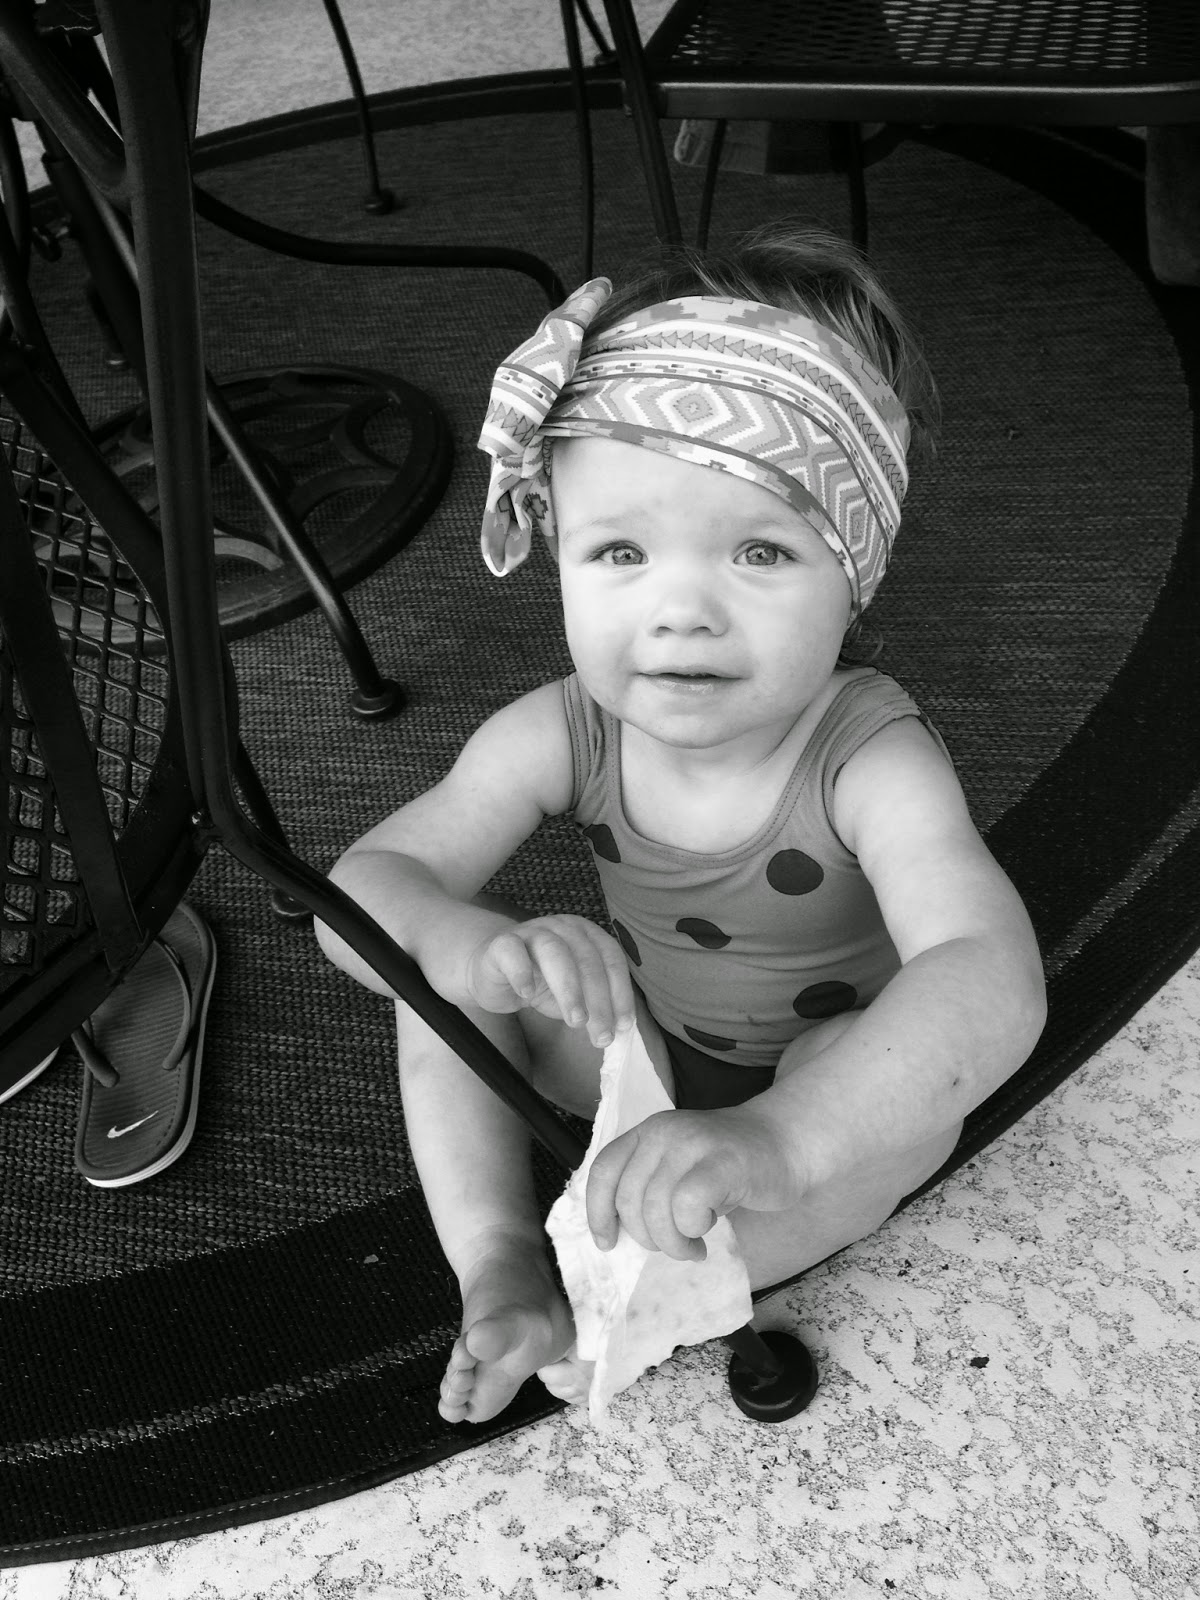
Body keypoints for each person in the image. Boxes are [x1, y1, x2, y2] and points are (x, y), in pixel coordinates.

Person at [315, 222, 1047, 1426]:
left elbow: (991, 977)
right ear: (559, 554)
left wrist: (780, 1138)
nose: (681, 610)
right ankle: (499, 1255)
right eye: (620, 550)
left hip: (825, 1078)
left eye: (759, 549)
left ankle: (646, 1295)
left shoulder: (870, 756)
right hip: (637, 1043)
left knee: (896, 1105)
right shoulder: (563, 728)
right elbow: (358, 893)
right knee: (432, 984)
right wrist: (469, 950)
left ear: (854, 571)